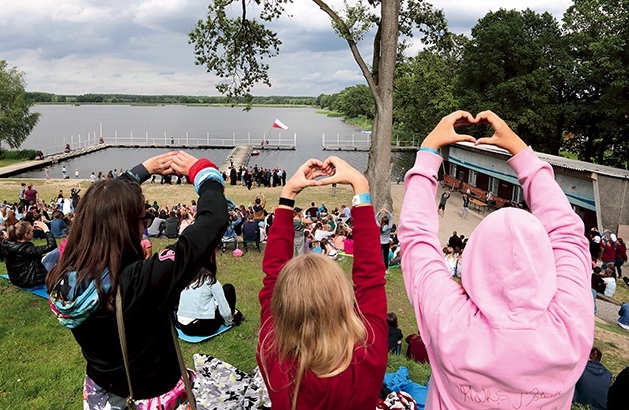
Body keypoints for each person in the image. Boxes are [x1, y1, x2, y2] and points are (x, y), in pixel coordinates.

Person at [399, 111, 594, 409]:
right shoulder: (570, 322)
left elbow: (417, 240)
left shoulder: (449, 319)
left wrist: (428, 151)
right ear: (545, 262)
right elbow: (568, 234)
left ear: (473, 262)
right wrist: (523, 155)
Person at [46, 151, 228, 409]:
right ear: (126, 226)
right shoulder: (140, 282)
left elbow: (103, 204)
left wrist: (143, 169)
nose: (145, 225)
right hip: (150, 393)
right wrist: (204, 172)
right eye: (144, 218)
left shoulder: (61, 270)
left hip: (101, 389)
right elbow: (212, 223)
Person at [257, 157, 387, 409]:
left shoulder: (272, 352)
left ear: (281, 307)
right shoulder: (368, 353)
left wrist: (288, 193)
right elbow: (370, 278)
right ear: (342, 300)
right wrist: (360, 185)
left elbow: (273, 276)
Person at [176, 266, 243, 337]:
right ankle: (234, 315)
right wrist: (228, 322)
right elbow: (224, 309)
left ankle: (235, 313)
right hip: (203, 328)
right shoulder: (211, 281)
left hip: (184, 327)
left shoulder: (187, 277)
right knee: (228, 288)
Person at [1, 220, 58, 288]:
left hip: (17, 279)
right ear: (26, 235)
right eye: (32, 231)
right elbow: (52, 245)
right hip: (30, 281)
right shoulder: (25, 249)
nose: (33, 232)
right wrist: (46, 229)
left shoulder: (7, 244)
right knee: (55, 252)